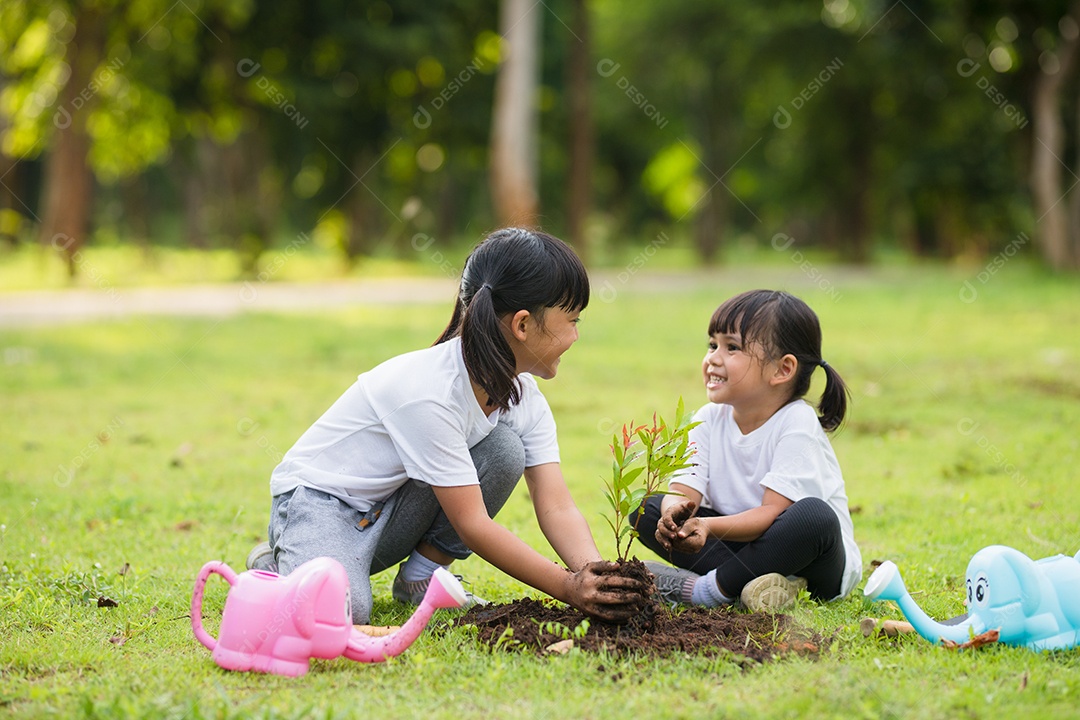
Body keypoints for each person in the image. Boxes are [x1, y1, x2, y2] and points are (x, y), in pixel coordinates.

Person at [246, 227, 647, 625]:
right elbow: (473, 525)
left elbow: (556, 504)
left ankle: (421, 578)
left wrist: (595, 575)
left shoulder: (523, 397)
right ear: (523, 325)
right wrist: (566, 587)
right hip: (320, 504)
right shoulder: (430, 394)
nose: (576, 335)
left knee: (504, 450)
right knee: (344, 612)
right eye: (572, 320)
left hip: (386, 513)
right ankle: (280, 559)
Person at [633, 289, 862, 613]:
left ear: (782, 370)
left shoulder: (796, 421)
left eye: (732, 348)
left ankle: (705, 590)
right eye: (712, 345)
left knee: (815, 517)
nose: (713, 358)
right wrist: (674, 516)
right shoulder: (707, 419)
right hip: (740, 549)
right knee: (646, 508)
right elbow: (684, 494)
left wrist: (708, 527)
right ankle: (757, 586)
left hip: (812, 564)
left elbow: (771, 514)